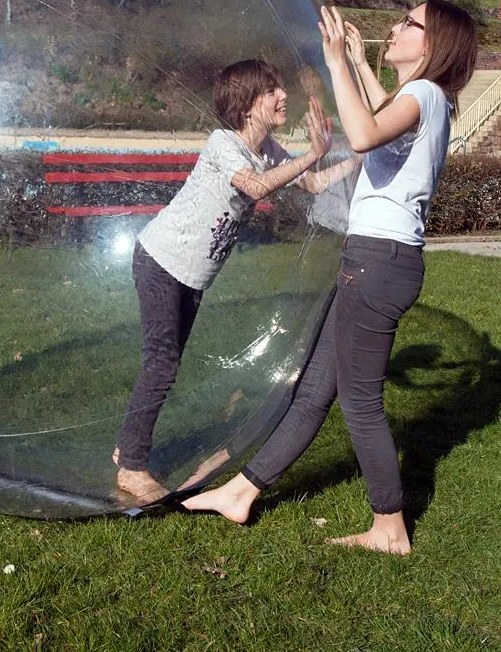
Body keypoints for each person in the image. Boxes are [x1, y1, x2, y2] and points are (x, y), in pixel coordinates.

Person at [183, 0, 478, 555]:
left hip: (378, 262)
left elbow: (364, 134)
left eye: (409, 23)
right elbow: (383, 115)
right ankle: (242, 493)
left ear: (434, 44)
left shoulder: (424, 94)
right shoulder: (429, 98)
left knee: (359, 403)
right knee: (315, 387)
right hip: (377, 259)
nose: (396, 27)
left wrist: (338, 60)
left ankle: (389, 527)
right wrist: (364, 66)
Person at [114, 58, 348, 504]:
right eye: (271, 91)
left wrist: (360, 155)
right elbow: (256, 187)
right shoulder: (224, 143)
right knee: (161, 365)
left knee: (164, 365)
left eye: (280, 88)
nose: (283, 96)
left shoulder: (268, 149)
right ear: (246, 104)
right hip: (162, 261)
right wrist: (313, 153)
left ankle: (129, 444)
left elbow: (314, 183)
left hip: (191, 274)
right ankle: (131, 466)